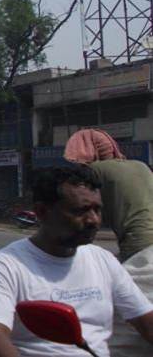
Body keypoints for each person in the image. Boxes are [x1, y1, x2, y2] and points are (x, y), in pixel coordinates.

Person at [0, 165, 153, 356]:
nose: (93, 220)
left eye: (97, 210)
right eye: (81, 211)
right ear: (42, 212)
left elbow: (144, 319)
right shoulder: (6, 265)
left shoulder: (102, 260)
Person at [64, 128, 153, 355]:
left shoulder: (94, 172)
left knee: (123, 331)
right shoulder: (140, 165)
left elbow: (81, 210)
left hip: (140, 244)